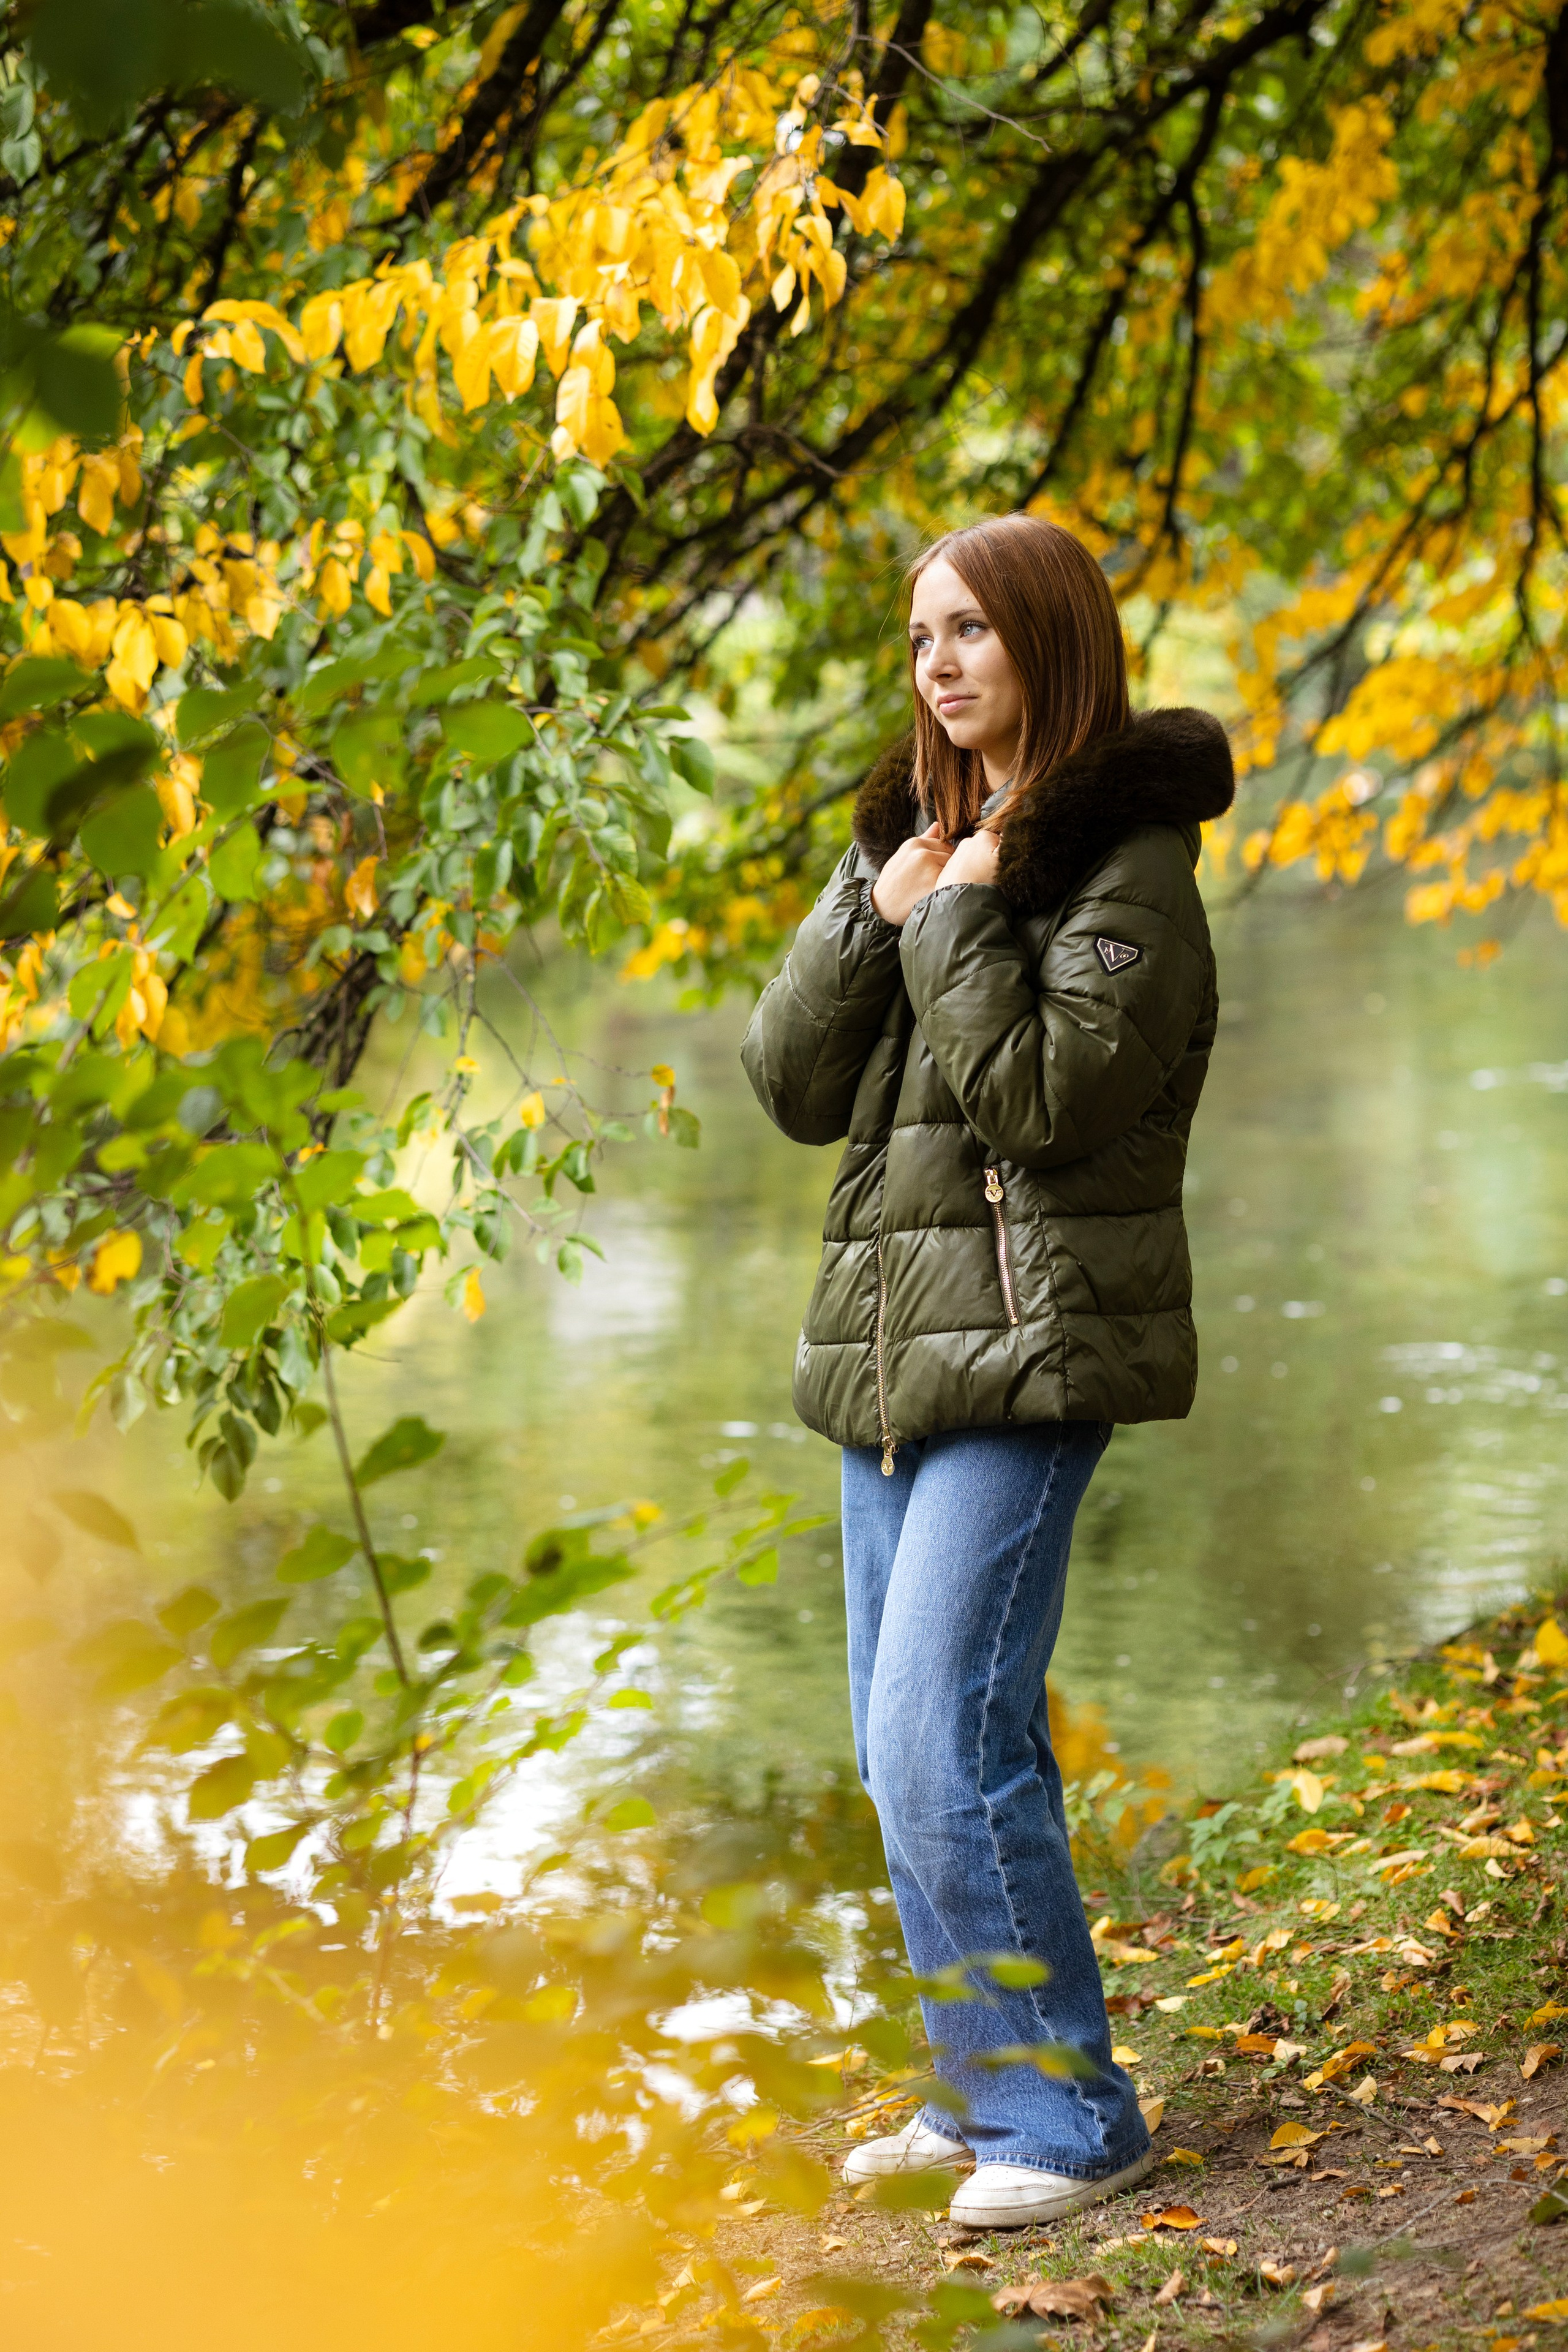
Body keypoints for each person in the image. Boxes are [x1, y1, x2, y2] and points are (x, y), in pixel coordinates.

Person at [740, 514, 1234, 2229]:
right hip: (889, 1365)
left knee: (944, 1731)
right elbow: (792, 1085)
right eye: (924, 635)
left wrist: (954, 919)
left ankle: (1071, 2122)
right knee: (909, 1747)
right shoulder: (915, 844)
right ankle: (981, 2096)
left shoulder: (1132, 865)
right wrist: (879, 916)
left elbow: (1044, 1103)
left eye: (975, 632)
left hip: (1031, 1357)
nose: (943, 664)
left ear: (1049, 642)